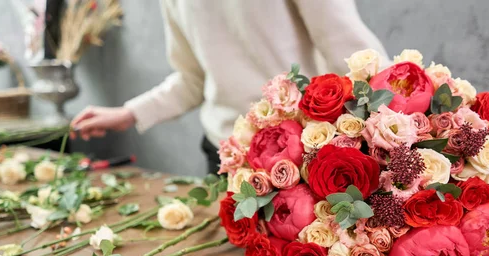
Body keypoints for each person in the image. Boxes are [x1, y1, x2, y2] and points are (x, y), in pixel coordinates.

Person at [71, 0, 389, 174]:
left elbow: (356, 54)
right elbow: (193, 78)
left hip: (305, 157)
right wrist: (129, 113)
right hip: (225, 156)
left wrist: (408, 126)